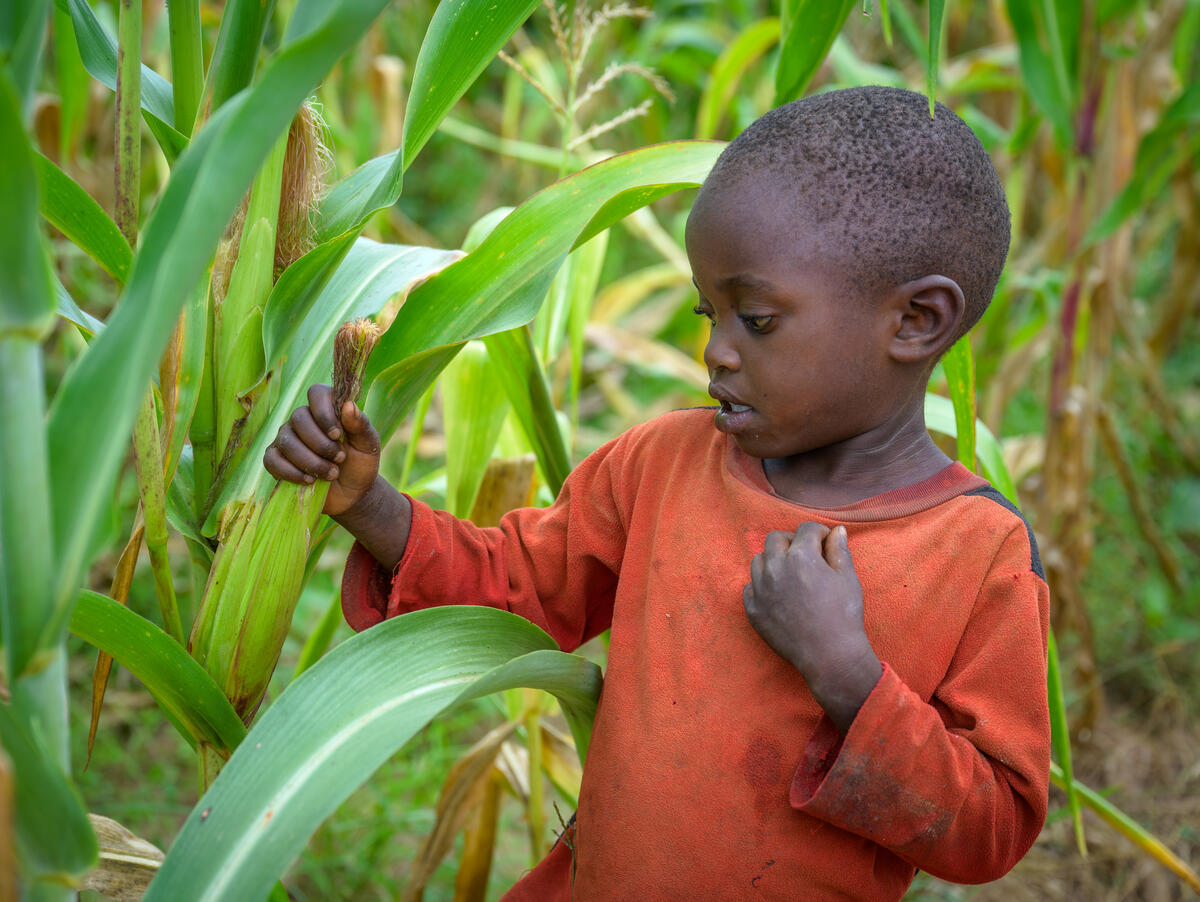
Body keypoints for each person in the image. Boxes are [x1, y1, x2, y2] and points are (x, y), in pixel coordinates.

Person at [264, 85, 1050, 900]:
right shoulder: (663, 465)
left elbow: (991, 828)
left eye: (758, 319)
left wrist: (847, 673)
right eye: (711, 313)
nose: (717, 352)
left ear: (916, 321)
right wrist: (372, 506)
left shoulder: (975, 552)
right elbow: (517, 591)